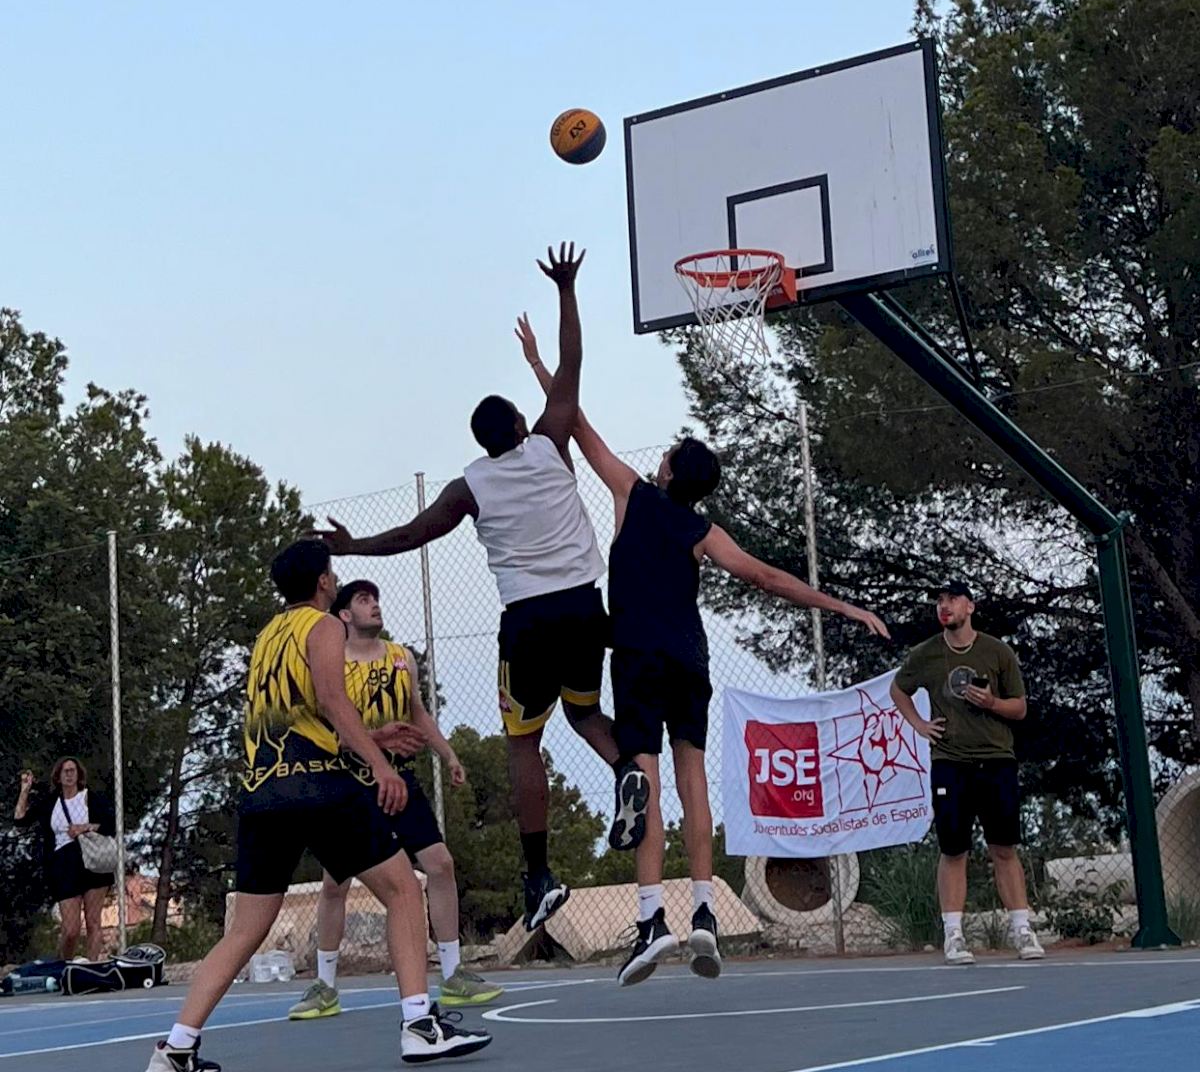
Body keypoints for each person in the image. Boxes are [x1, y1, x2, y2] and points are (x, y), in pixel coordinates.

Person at [518, 316, 891, 985]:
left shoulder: (632, 495)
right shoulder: (701, 531)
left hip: (637, 656)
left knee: (646, 781)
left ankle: (651, 921)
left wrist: (544, 369)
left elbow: (575, 423)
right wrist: (843, 606)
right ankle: (704, 914)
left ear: (667, 469)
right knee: (693, 783)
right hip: (690, 659)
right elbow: (765, 577)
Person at [317, 243, 650, 936]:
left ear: (481, 441)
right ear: (522, 427)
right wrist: (566, 290)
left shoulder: (471, 484)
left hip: (526, 620)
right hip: (585, 606)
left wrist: (351, 548)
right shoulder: (551, 442)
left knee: (524, 744)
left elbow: (413, 534)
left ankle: (539, 874)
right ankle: (625, 766)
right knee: (586, 713)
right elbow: (572, 365)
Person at [144, 539, 491, 1072]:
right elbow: (332, 698)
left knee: (245, 930)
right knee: (404, 890)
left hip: (262, 792)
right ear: (325, 582)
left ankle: (176, 1047)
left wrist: (372, 737)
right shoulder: (324, 626)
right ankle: (420, 1026)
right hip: (319, 786)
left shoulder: (267, 637)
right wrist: (380, 764)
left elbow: (301, 717)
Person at [288, 579, 503, 1019]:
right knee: (335, 883)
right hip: (349, 781)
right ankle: (325, 985)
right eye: (363, 600)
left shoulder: (401, 658)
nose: (374, 606)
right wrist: (374, 739)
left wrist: (447, 753)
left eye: (376, 599)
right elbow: (328, 732)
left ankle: (453, 973)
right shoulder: (331, 662)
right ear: (344, 614)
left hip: (399, 779)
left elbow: (417, 712)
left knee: (440, 864)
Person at [890, 578, 1044, 965]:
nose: (944, 606)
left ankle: (1022, 929)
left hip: (996, 759)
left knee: (1003, 847)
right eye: (939, 600)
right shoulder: (926, 653)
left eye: (953, 599)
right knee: (953, 848)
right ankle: (954, 935)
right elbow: (898, 689)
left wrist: (991, 703)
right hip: (950, 763)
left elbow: (1020, 708)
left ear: (970, 606)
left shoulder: (997, 651)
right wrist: (919, 724)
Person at [14, 758, 115, 962]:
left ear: (79, 774)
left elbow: (110, 825)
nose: (69, 774)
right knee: (70, 929)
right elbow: (20, 820)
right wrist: (25, 790)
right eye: (65, 771)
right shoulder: (51, 802)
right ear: (58, 777)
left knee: (94, 921)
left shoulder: (90, 798)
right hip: (64, 865)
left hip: (92, 861)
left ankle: (91, 967)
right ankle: (64, 966)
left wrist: (84, 827)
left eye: (72, 770)